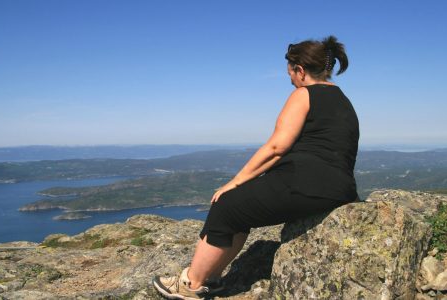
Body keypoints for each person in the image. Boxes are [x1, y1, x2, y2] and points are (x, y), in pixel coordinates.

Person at [153, 35, 359, 300]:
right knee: (241, 209)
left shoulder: (304, 94)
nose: (290, 80)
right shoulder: (342, 98)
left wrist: (236, 181)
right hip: (340, 188)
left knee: (225, 205)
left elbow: (276, 147)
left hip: (306, 182)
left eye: (291, 74)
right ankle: (211, 279)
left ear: (300, 70)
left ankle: (191, 285)